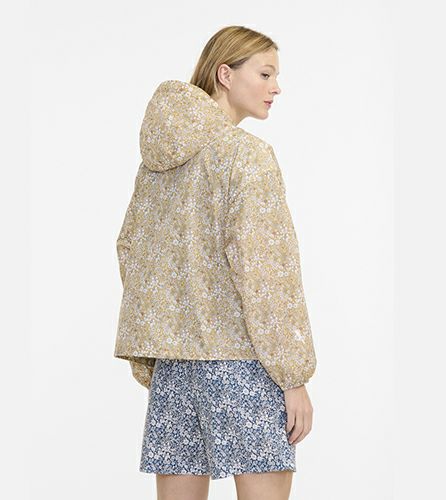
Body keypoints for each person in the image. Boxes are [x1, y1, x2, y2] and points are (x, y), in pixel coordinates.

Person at [113, 25, 317, 500]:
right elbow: (266, 272)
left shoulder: (157, 163)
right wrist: (293, 377)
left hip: (174, 369)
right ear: (225, 74)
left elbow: (130, 249)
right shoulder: (246, 156)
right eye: (265, 74)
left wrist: (169, 331)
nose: (276, 87)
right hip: (242, 364)